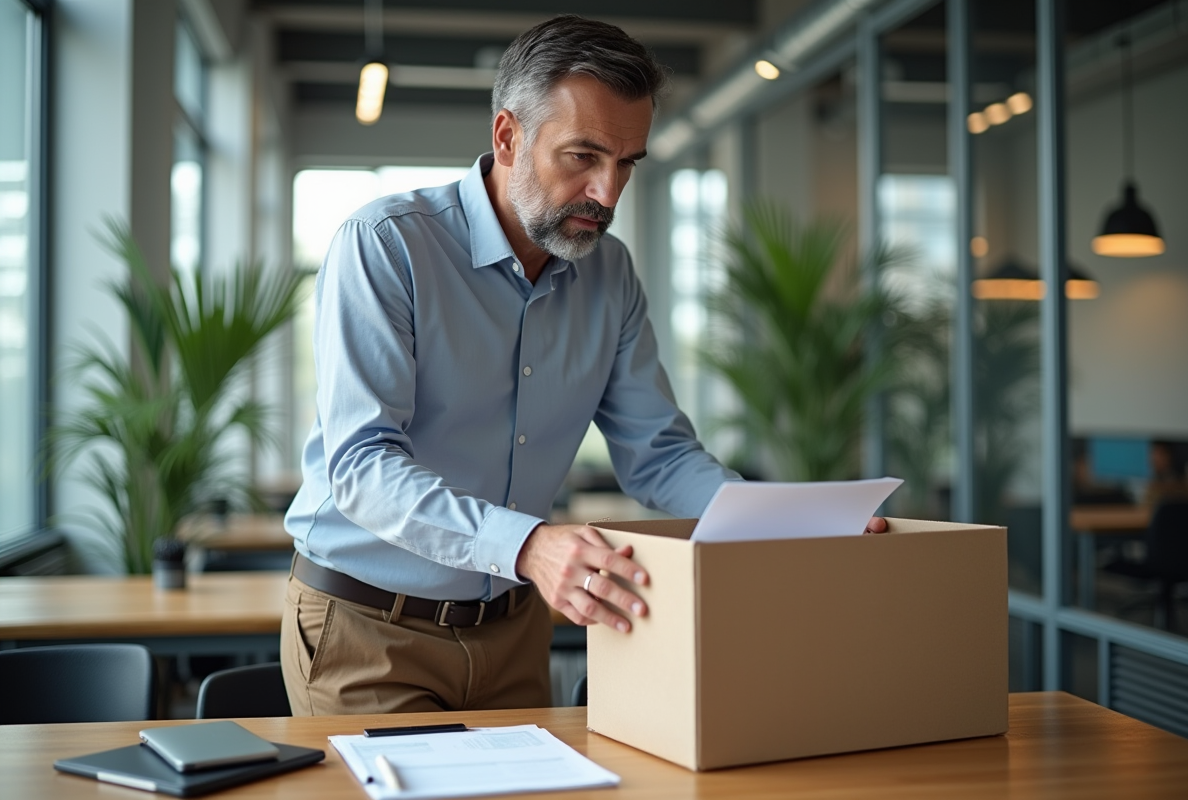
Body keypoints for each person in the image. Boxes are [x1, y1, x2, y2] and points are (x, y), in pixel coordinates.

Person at [280, 14, 887, 717]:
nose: (608, 193)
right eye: (584, 156)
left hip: (513, 631)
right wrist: (531, 546)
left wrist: (776, 521)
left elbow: (658, 455)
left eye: (628, 162)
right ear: (508, 137)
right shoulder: (386, 247)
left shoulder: (611, 274)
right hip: (367, 629)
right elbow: (362, 467)